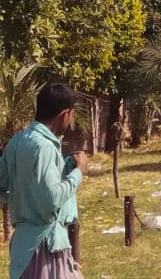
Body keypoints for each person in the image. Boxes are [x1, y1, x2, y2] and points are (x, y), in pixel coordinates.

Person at [0, 82, 88, 279]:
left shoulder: (16, 142)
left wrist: (21, 198)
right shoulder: (45, 147)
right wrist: (78, 172)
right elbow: (52, 198)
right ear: (65, 114)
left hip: (24, 246)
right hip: (45, 248)